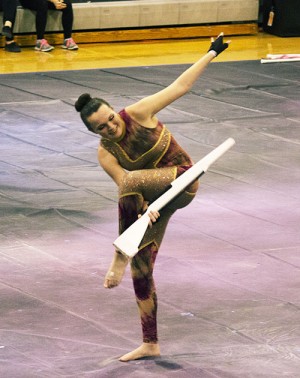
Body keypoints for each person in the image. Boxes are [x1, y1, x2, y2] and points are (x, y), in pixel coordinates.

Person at [75, 34, 230, 362]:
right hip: (156, 199)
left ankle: (119, 254)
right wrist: (144, 210)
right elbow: (127, 190)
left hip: (183, 179)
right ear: (94, 133)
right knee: (141, 270)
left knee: (132, 190)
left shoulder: (138, 112)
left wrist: (212, 52)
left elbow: (180, 87)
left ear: (115, 113)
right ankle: (150, 343)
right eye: (101, 128)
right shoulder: (106, 155)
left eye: (111, 120)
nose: (111, 128)